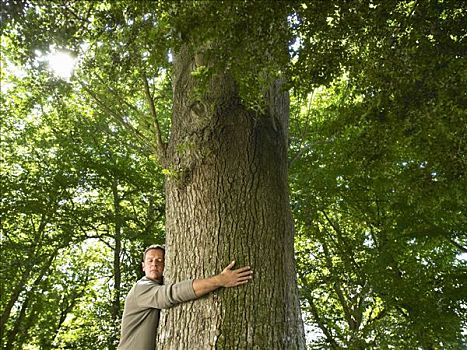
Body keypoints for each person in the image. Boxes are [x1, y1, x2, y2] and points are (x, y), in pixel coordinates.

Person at [117, 244, 253, 350]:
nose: (154, 264)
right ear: (143, 267)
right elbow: (172, 294)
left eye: (159, 260)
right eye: (150, 260)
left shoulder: (155, 285)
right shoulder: (141, 287)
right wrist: (220, 280)